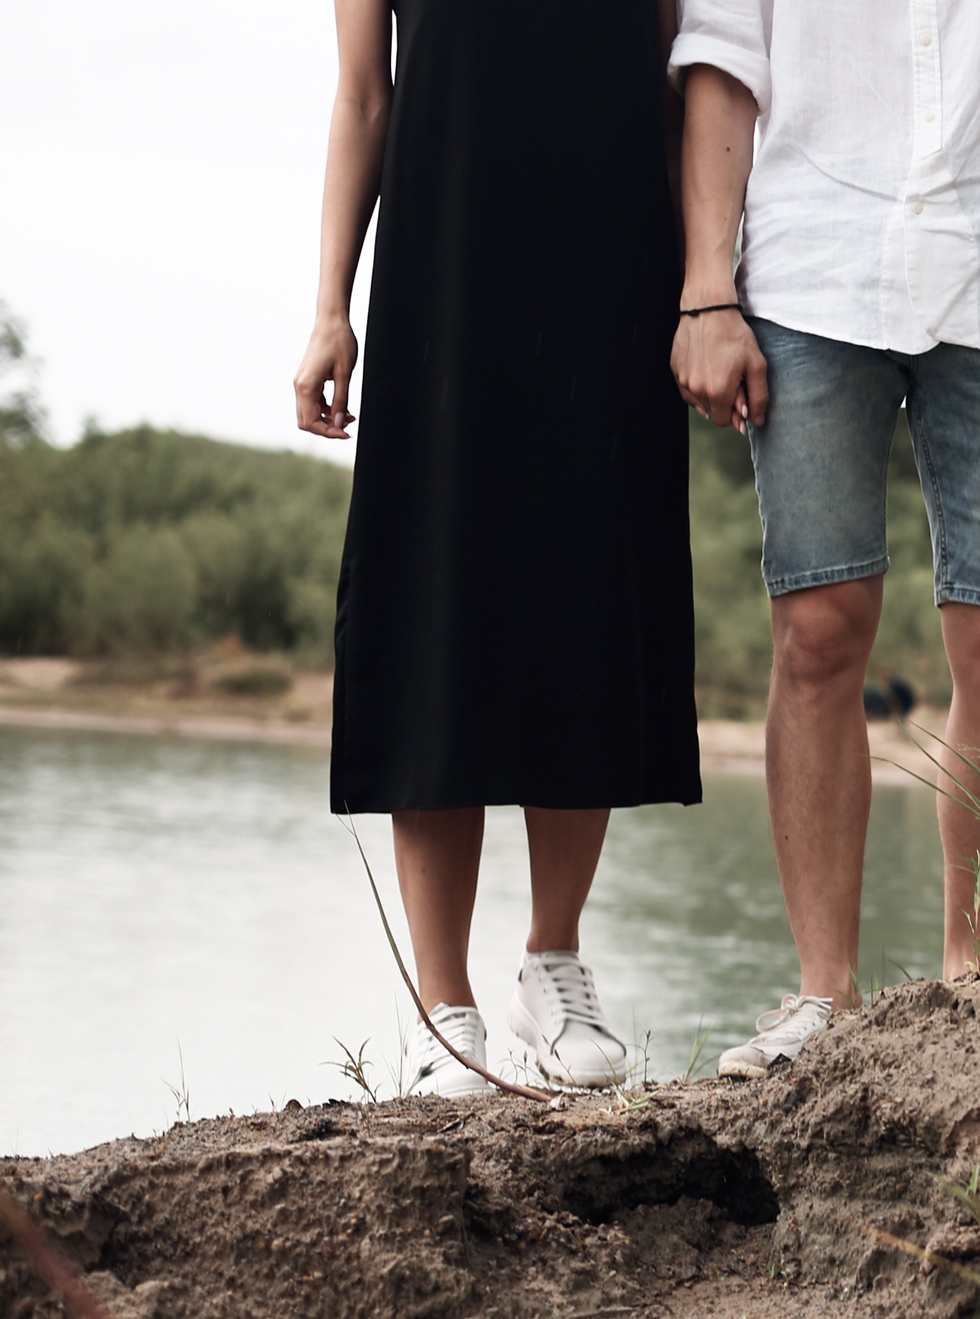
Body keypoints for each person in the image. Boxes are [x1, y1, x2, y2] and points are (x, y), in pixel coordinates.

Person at [669, 0, 980, 1079]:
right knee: (817, 631)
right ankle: (822, 997)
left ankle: (976, 992)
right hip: (810, 262)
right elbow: (722, 59)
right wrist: (706, 290)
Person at [293, 0, 702, 1096]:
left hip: (612, 274)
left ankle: (551, 963)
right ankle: (445, 1011)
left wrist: (703, 290)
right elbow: (363, 98)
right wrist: (330, 306)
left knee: (586, 597)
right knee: (435, 608)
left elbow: (674, 87)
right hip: (442, 272)